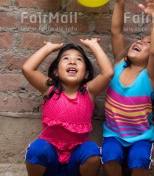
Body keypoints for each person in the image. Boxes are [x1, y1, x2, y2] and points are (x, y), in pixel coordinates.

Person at [102, 0, 154, 176]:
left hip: (140, 138)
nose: (139, 43)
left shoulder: (149, 77)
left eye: (147, 44)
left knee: (139, 161)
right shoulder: (119, 64)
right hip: (113, 135)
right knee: (109, 158)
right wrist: (120, 2)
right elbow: (116, 32)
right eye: (140, 40)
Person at [22, 38, 113, 176]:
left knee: (92, 151)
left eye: (79, 60)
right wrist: (48, 48)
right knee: (36, 149)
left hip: (76, 161)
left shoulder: (89, 92)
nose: (72, 62)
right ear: (56, 72)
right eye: (66, 58)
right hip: (50, 158)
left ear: (86, 73)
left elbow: (108, 73)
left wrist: (94, 46)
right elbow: (27, 69)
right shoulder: (49, 89)